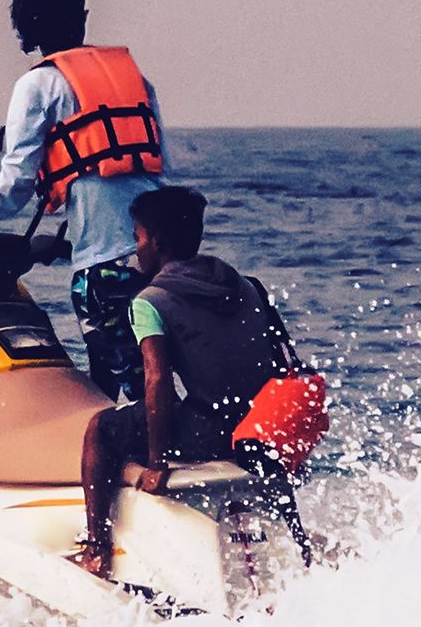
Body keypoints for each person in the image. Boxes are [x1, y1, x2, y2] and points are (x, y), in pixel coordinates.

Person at [0, 0, 164, 397]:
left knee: (134, 392)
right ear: (79, 16)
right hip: (157, 261)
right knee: (126, 382)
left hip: (103, 275)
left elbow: (15, 185)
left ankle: (149, 459)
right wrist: (62, 246)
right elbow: (153, 181)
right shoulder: (136, 81)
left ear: (27, 27)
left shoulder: (38, 86)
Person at [73, 186, 305, 578]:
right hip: (265, 432)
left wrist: (157, 463)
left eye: (138, 238)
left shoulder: (150, 300)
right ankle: (302, 547)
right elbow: (283, 365)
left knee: (101, 429)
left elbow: (158, 381)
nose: (136, 249)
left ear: (157, 243)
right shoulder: (248, 285)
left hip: (211, 432)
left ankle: (97, 549)